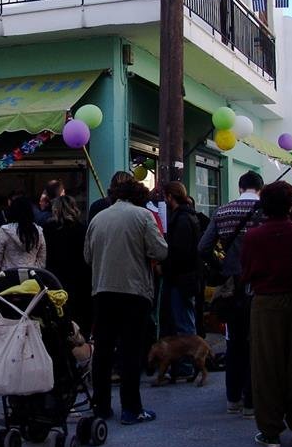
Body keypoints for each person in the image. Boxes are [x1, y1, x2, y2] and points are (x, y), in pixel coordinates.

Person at [241, 181, 292, 447]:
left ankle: (270, 429)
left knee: (266, 367)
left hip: (265, 303)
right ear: (290, 205)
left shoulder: (253, 236)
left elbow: (247, 271)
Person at [85, 179, 168, 425]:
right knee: (131, 351)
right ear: (138, 196)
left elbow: (87, 256)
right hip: (134, 291)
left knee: (103, 350)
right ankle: (131, 409)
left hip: (102, 290)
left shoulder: (98, 218)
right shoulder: (143, 216)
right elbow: (160, 251)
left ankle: (101, 406)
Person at [198, 170, 263, 416]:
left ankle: (232, 399)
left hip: (232, 285)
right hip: (259, 284)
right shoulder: (264, 211)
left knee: (235, 342)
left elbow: (203, 247)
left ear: (240, 188)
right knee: (256, 342)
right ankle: (251, 401)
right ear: (260, 188)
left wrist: (221, 265)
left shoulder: (223, 211)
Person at [43, 195, 91, 336]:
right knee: (79, 318)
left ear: (55, 210)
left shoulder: (48, 228)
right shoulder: (82, 228)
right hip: (79, 278)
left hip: (55, 277)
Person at [162, 182, 202, 337]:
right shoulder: (189, 216)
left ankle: (188, 352)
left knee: (184, 323)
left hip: (181, 279)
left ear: (170, 197)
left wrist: (165, 267)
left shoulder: (181, 219)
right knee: (185, 319)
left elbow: (179, 252)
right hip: (187, 277)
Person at [0, 195, 46, 276]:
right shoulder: (38, 232)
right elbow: (42, 261)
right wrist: (32, 274)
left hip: (8, 278)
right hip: (31, 279)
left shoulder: (4, 231)